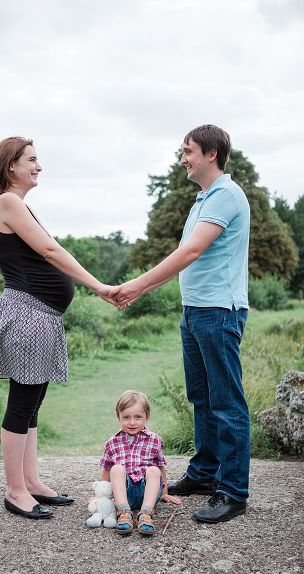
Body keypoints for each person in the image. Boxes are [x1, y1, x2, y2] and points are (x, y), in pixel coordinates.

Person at [110, 124, 250, 524]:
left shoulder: (226, 194)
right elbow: (183, 255)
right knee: (201, 397)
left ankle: (234, 491)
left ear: (211, 153)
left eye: (187, 151)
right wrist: (145, 290)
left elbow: (190, 251)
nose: (182, 157)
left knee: (226, 402)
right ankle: (205, 473)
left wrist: (136, 285)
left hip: (219, 311)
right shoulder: (202, 200)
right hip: (195, 311)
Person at [0, 136, 114, 519]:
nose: (39, 166)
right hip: (27, 314)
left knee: (33, 401)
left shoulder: (17, 204)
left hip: (40, 315)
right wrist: (99, 286)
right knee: (21, 403)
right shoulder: (7, 202)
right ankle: (15, 490)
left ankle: (32, 482)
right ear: (11, 167)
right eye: (32, 160)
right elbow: (52, 251)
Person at [99, 390, 182, 536]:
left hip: (148, 493)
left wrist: (164, 492)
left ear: (147, 417)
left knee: (153, 470)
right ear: (119, 417)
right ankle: (124, 513)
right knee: (116, 468)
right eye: (126, 417)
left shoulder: (155, 440)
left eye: (138, 417)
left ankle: (146, 514)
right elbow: (106, 469)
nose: (132, 422)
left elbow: (161, 467)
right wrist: (102, 497)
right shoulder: (112, 443)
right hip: (124, 494)